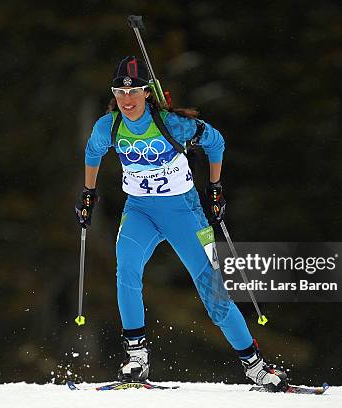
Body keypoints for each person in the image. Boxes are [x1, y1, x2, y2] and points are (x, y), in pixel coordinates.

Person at [75, 56, 288, 392]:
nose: (126, 100)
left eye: (133, 93)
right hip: (140, 211)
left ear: (147, 93)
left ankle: (256, 367)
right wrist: (88, 193)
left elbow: (215, 141)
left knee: (212, 288)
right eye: (119, 93)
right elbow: (92, 153)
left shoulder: (172, 124)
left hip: (184, 214)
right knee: (126, 268)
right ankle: (136, 358)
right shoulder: (109, 126)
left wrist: (215, 188)